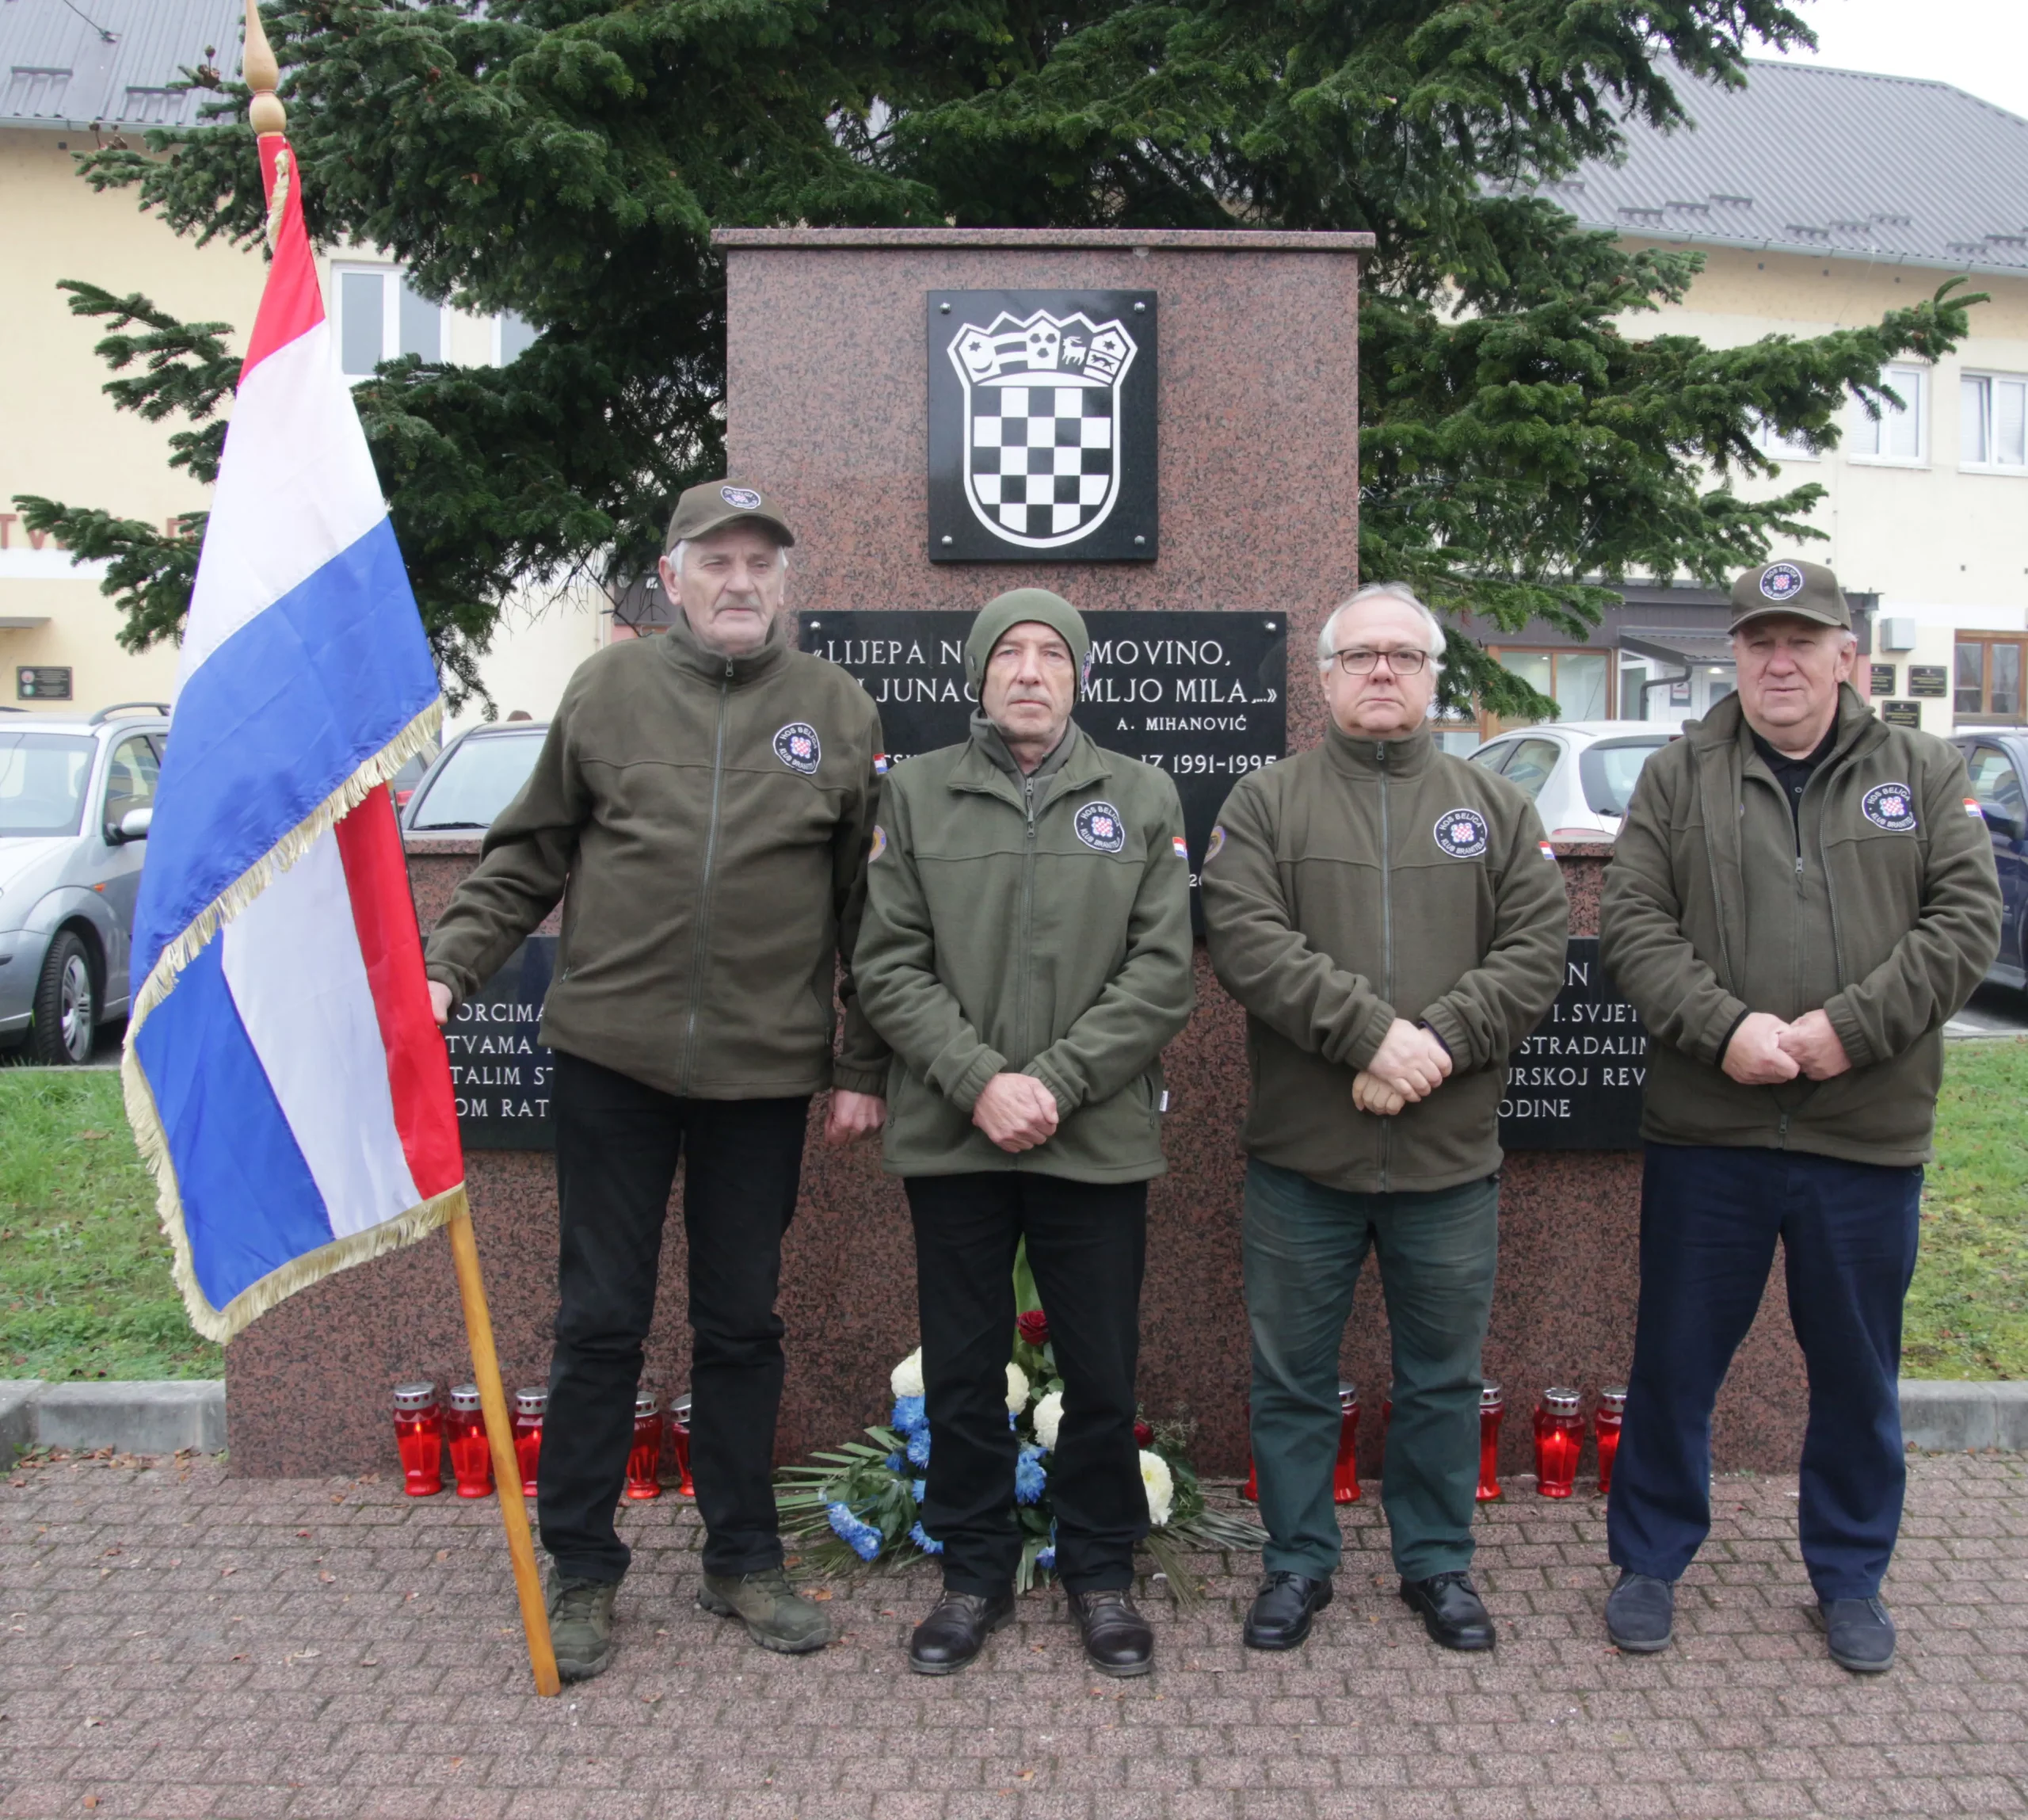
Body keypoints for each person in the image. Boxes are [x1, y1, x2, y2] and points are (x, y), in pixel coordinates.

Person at [421, 481, 889, 1680]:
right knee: (599, 1321)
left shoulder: (837, 709)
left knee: (742, 1325)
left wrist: (860, 1061)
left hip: (760, 1076)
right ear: (672, 577)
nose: (740, 581)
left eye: (761, 563)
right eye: (716, 560)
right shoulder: (608, 689)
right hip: (612, 1063)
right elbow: (526, 854)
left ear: (786, 583)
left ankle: (742, 1559)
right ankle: (582, 1566)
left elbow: (867, 909)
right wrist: (445, 972)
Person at [1597, 558, 2000, 1673]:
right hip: (1710, 1132)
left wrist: (1846, 1031)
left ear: (1845, 657)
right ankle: (1649, 1562)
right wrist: (1724, 1028)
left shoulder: (1922, 771)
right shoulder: (1679, 775)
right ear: (1733, 655)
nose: (1780, 662)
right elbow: (1633, 926)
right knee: (1675, 1361)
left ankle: (1852, 1576)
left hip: (1864, 1134)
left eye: (1803, 641)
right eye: (1760, 641)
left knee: (1858, 1375)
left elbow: (1964, 925)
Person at [1202, 581, 1569, 1655]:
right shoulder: (1266, 803)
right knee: (1292, 1381)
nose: (1381, 672)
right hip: (1302, 1162)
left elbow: (1536, 951)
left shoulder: (1495, 808)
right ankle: (1297, 1563)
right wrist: (1371, 1036)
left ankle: (1437, 1564)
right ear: (1322, 678)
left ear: (1432, 679)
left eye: (1403, 657)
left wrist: (1432, 1044)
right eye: (1359, 655)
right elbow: (1247, 941)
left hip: (1447, 1162)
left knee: (1443, 1381)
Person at [853, 589, 1195, 1678]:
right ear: (980, 675)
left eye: (1054, 653)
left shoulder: (1141, 795)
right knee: (961, 1368)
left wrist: (1049, 1083)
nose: (1032, 671)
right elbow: (886, 965)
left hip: (1092, 1138)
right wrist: (978, 1082)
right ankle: (973, 1573)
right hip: (955, 1135)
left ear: (1080, 676)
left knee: (1100, 1367)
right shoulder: (916, 794)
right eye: (1010, 653)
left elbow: (1162, 973)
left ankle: (1100, 1572)